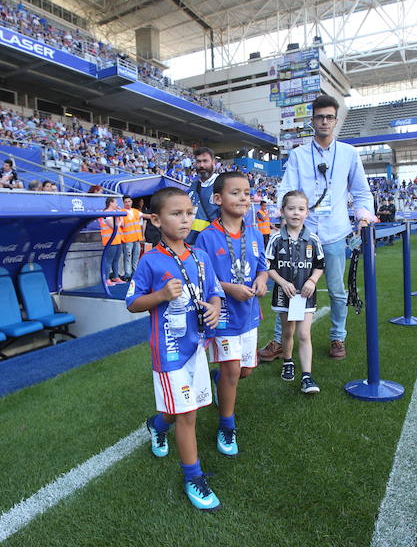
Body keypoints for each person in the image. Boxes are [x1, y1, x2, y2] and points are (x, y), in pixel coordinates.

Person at [125, 186, 224, 512]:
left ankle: (156, 425)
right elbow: (133, 303)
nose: (184, 220)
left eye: (189, 213)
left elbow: (213, 292)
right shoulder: (150, 261)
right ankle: (192, 476)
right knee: (187, 414)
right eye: (176, 214)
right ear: (156, 218)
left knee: (179, 409)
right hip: (169, 351)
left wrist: (213, 307)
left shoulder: (200, 256)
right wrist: (161, 296)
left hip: (198, 346)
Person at [260, 94, 375, 362]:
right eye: (319, 117)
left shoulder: (348, 153)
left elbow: (361, 192)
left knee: (336, 290)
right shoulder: (299, 154)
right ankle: (280, 341)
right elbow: (286, 189)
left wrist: (363, 217)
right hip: (301, 235)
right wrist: (285, 220)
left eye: (329, 117)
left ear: (336, 121)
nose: (324, 121)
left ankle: (338, 337)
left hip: (335, 234)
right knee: (288, 288)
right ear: (312, 120)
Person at [194, 172, 268, 456]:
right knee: (232, 371)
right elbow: (202, 277)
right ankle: (227, 425)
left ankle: (220, 380)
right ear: (218, 198)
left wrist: (261, 281)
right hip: (223, 315)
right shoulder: (207, 237)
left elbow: (262, 267)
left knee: (246, 370)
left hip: (248, 313)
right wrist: (229, 289)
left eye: (247, 193)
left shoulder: (254, 233)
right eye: (235, 192)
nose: (243, 198)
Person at [265, 191, 325, 393]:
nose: (296, 213)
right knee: (288, 331)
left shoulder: (313, 239)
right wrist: (282, 282)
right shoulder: (275, 239)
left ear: (307, 213)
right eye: (291, 209)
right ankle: (288, 362)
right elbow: (269, 266)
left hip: (305, 295)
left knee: (304, 333)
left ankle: (307, 377)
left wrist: (312, 280)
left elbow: (320, 265)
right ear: (282, 211)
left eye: (301, 209)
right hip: (285, 294)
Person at [119, 196, 149, 281]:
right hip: (128, 239)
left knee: (136, 257)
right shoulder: (122, 212)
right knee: (128, 257)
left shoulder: (136, 211)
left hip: (137, 238)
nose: (128, 203)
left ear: (132, 202)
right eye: (126, 202)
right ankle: (128, 274)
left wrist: (156, 216)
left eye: (129, 201)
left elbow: (145, 215)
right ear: (123, 203)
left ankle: (135, 273)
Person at [100, 197, 125, 285]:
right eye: (115, 203)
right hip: (109, 240)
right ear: (110, 203)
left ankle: (116, 277)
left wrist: (120, 216)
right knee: (109, 260)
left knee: (116, 260)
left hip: (117, 239)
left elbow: (122, 224)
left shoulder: (114, 213)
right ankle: (106, 279)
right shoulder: (106, 213)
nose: (117, 205)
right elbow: (114, 226)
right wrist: (120, 216)